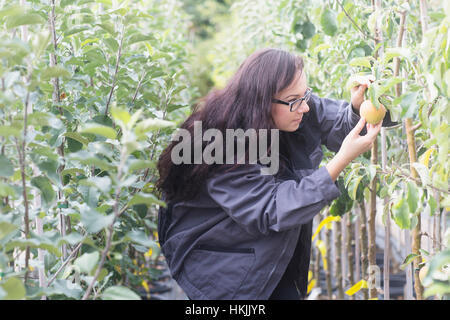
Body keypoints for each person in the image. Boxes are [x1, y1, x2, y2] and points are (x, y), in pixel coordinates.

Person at [156, 48, 397, 300]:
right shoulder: (226, 144)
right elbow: (273, 208)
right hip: (228, 268)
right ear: (262, 102)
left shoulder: (294, 106)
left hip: (269, 251)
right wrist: (341, 160)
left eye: (306, 95)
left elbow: (334, 120)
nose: (304, 107)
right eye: (295, 100)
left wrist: (357, 107)